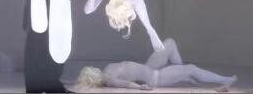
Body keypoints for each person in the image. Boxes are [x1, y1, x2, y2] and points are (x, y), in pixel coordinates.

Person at [76, 38, 237, 92]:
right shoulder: (110, 79)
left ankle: (183, 74)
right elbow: (126, 84)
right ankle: (225, 80)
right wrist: (142, 88)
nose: (94, 69)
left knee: (169, 42)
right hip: (156, 77)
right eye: (92, 71)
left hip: (149, 67)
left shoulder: (107, 69)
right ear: (94, 77)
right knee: (191, 68)